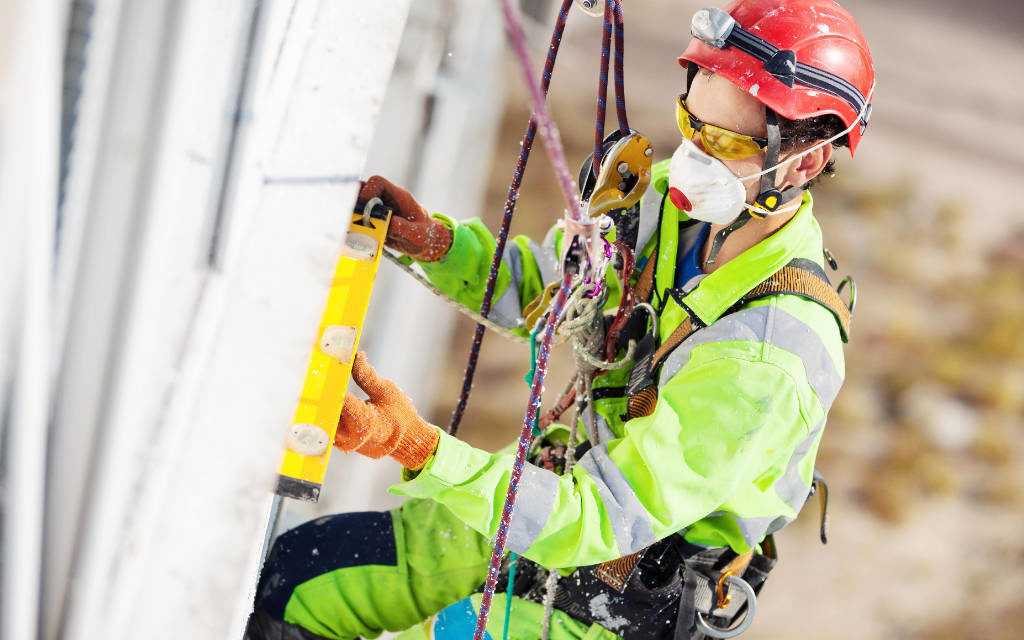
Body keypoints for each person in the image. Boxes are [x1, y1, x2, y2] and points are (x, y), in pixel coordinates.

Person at [246, 1, 874, 638]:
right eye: (692, 123)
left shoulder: (766, 357)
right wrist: (439, 247)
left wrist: (417, 447)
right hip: (561, 500)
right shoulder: (672, 206)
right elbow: (554, 291)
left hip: (632, 590)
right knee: (302, 580)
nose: (692, 156)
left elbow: (604, 516)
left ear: (803, 162)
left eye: (723, 141)